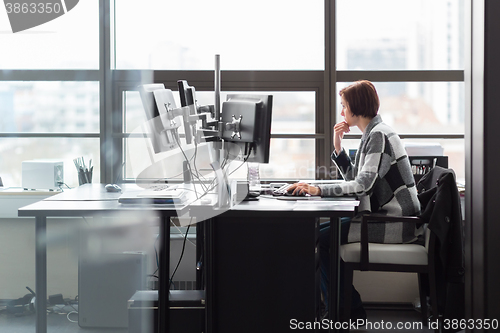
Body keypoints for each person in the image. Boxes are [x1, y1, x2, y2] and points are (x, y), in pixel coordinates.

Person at [288, 80, 421, 319]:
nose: (341, 112)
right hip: (383, 217)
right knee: (317, 234)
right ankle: (347, 308)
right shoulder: (373, 134)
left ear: (355, 107)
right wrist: (338, 149)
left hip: (396, 223)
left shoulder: (379, 136)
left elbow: (361, 185)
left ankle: (344, 310)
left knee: (321, 239)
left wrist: (318, 190)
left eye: (343, 106)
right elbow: (360, 182)